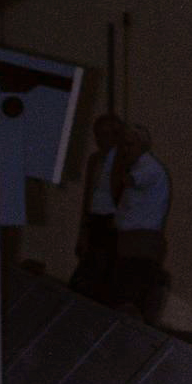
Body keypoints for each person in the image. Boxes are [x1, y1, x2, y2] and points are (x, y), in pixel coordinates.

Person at [109, 121, 171, 318]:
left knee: (131, 295)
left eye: (129, 145)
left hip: (141, 240)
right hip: (133, 239)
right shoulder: (142, 166)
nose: (125, 150)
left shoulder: (149, 167)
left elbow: (128, 180)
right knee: (126, 290)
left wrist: (117, 162)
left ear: (142, 145)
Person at [69, 112, 125, 301]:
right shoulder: (95, 160)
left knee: (103, 273)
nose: (102, 139)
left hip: (114, 223)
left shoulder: (125, 161)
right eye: (99, 134)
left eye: (108, 134)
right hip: (96, 221)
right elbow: (88, 196)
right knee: (90, 270)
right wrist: (82, 230)